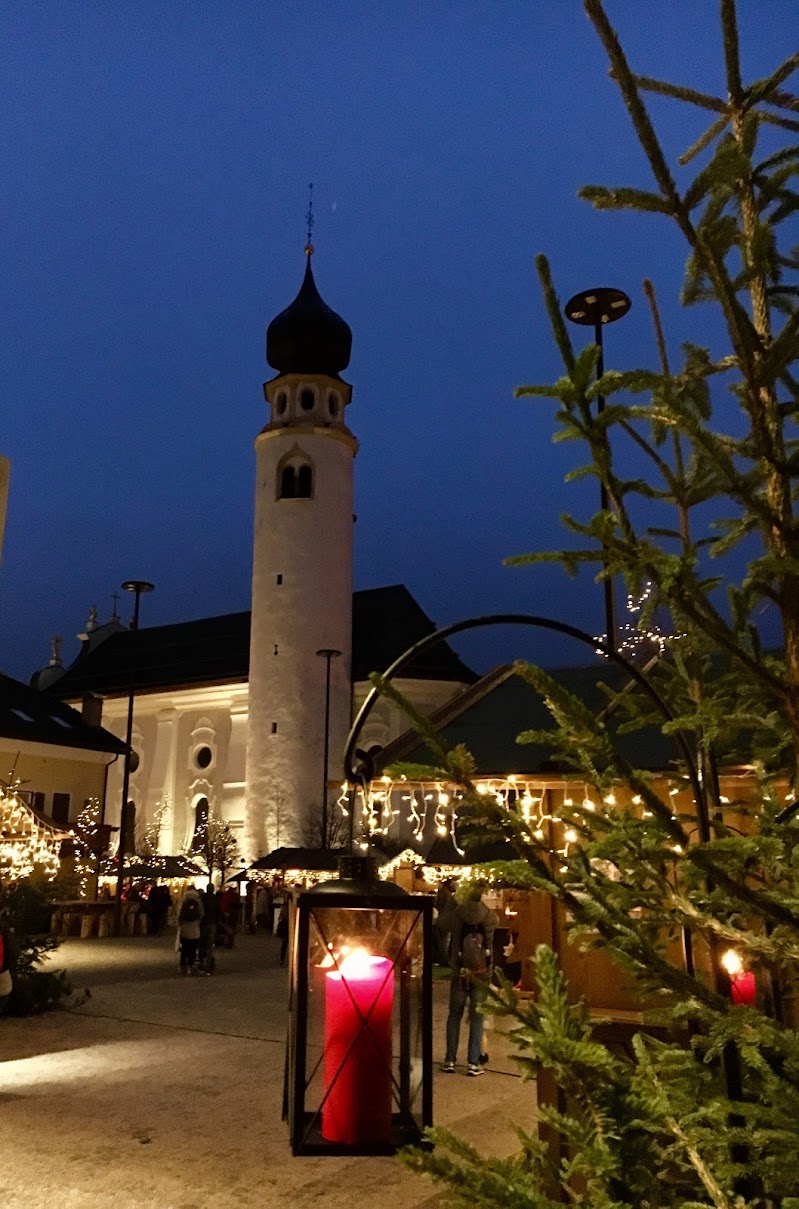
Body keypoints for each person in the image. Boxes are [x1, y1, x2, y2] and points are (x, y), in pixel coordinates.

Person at [437, 887, 498, 1076]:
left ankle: (449, 1060)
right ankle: (473, 1063)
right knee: (477, 1017)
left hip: (460, 973)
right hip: (482, 974)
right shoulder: (490, 917)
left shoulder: (456, 916)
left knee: (454, 1015)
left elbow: (440, 923)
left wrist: (452, 902)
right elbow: (496, 925)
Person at [176, 884, 204, 975]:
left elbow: (178, 913)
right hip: (195, 927)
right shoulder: (198, 900)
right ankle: (191, 966)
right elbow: (201, 913)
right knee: (193, 948)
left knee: (184, 948)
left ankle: (182, 965)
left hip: (185, 927)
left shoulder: (183, 899)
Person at [198, 883, 218, 974]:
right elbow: (219, 911)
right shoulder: (215, 899)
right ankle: (208, 964)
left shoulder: (202, 898)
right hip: (212, 923)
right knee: (210, 945)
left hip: (203, 923)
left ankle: (201, 962)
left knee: (202, 944)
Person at [275, 898, 290, 966]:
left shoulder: (284, 908)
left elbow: (280, 918)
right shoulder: (290, 907)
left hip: (284, 927)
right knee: (286, 944)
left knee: (284, 944)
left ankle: (282, 959)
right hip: (288, 926)